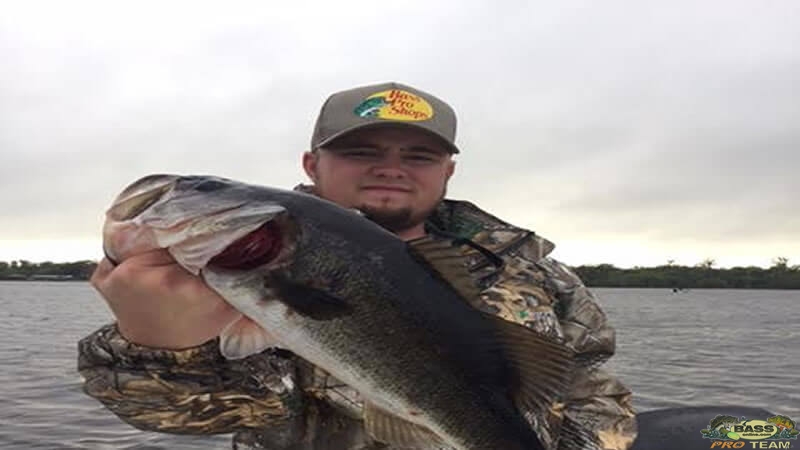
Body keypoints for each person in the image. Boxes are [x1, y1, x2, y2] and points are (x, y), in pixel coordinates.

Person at [79, 82, 637, 450]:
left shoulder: (537, 274)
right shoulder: (188, 280)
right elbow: (168, 415)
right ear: (311, 164)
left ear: (448, 172)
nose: (390, 169)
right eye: (361, 151)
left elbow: (593, 395)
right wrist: (159, 345)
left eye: (418, 155)